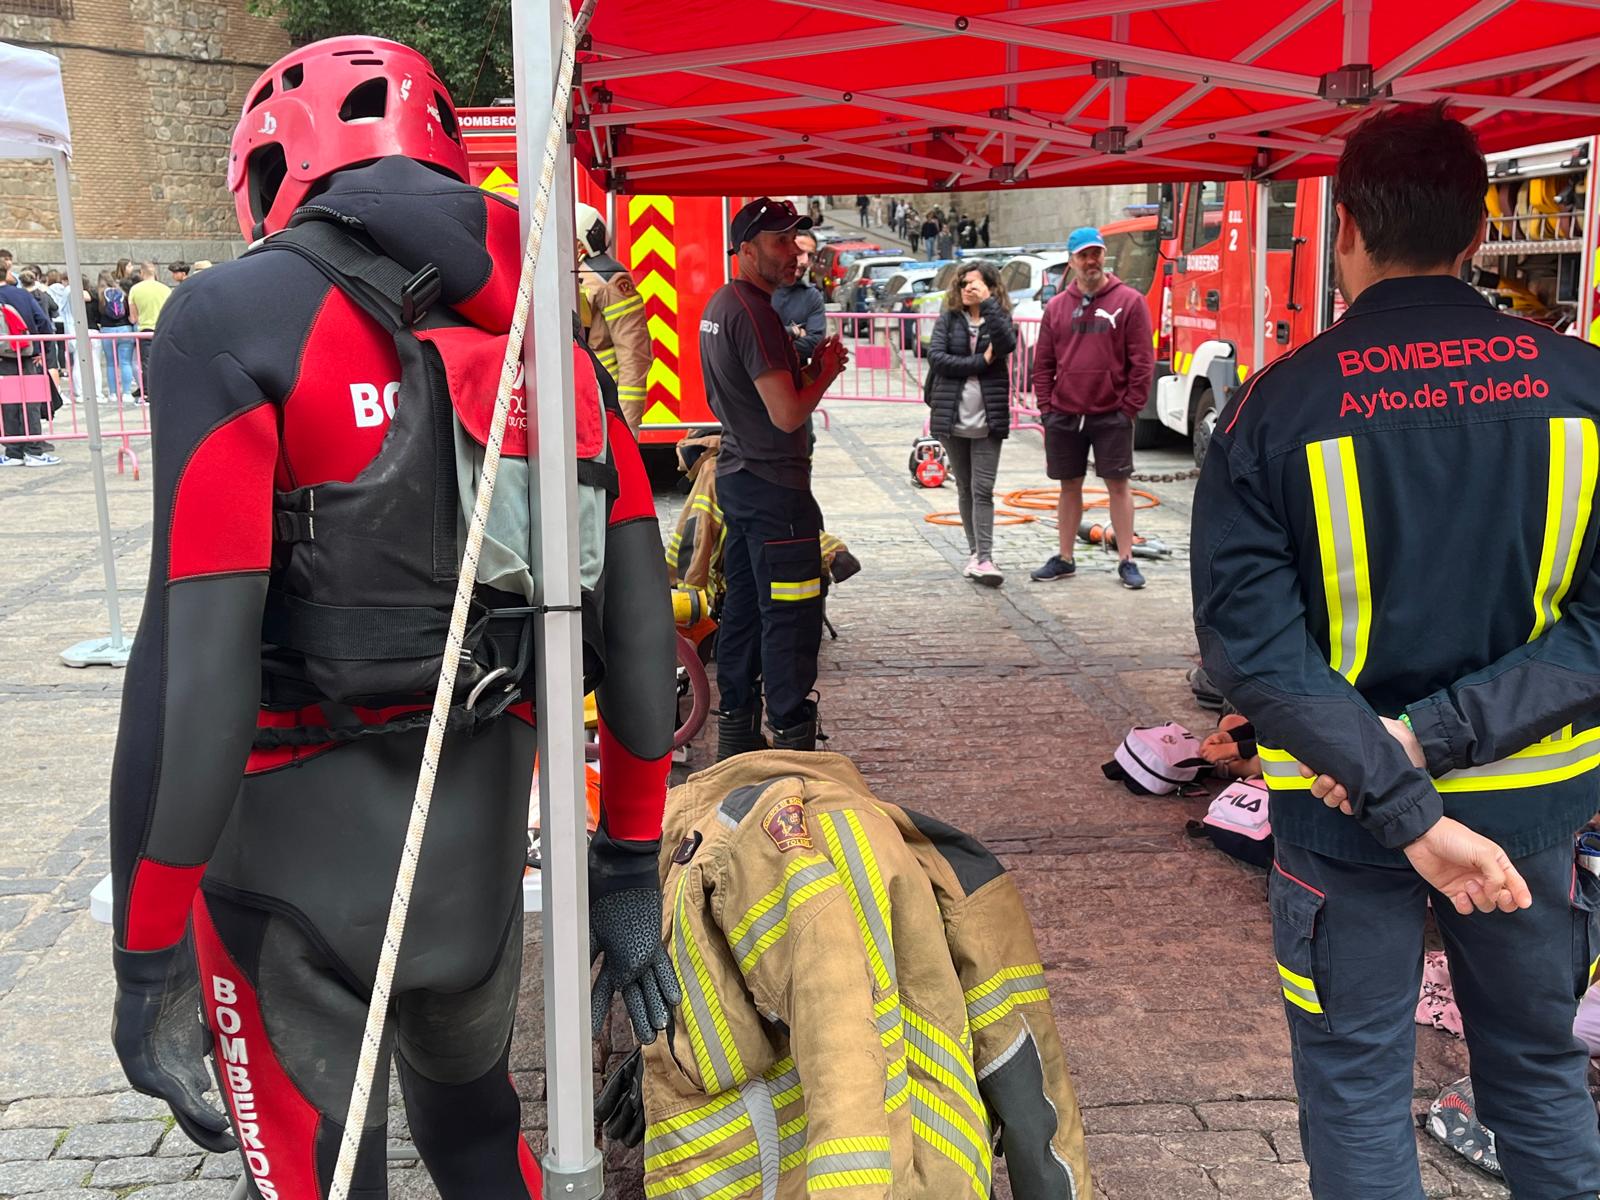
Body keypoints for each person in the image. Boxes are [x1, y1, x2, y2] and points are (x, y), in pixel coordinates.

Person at [107, 37, 678, 1199]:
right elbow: (642, 648)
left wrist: (143, 951)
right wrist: (625, 867)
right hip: (470, 883)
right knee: (477, 1138)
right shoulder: (547, 333)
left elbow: (192, 676)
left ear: (273, 172)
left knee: (328, 1175)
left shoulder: (232, 319)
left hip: (288, 891)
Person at [1191, 103, 1600, 1199]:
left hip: (1344, 824)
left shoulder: (1274, 412)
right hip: (1533, 818)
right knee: (1537, 1076)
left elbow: (1252, 653)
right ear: (1478, 233)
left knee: (1355, 1083)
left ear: (1343, 231)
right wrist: (1442, 748)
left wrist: (1405, 781)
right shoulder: (1585, 391)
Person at [699, 198, 849, 757]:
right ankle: (790, 744)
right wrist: (827, 374)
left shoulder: (724, 304)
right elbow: (786, 414)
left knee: (741, 609)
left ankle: (736, 735)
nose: (796, 254)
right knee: (790, 615)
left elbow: (756, 397)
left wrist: (807, 369)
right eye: (781, 242)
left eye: (797, 242)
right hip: (773, 489)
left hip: (742, 478)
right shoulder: (754, 311)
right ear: (746, 249)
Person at [1030, 225, 1154, 590]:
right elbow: (1043, 363)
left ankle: (1126, 559)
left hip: (1111, 413)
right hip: (1065, 413)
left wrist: (1129, 407)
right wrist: (1047, 409)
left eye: (1096, 253)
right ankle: (1065, 557)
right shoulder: (1056, 307)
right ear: (1072, 261)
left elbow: (1142, 361)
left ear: (1104, 256)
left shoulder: (1129, 301)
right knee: (1069, 485)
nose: (1091, 261)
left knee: (1119, 484)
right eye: (1084, 255)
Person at [926, 260, 1016, 586]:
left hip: (988, 418)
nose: (967, 288)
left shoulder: (999, 317)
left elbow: (1007, 343)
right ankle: (975, 551)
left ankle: (985, 557)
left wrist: (988, 303)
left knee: (983, 490)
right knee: (964, 487)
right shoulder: (949, 320)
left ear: (990, 287)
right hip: (952, 416)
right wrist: (981, 361)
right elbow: (937, 359)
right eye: (963, 283)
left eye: (974, 283)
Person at [575, 202, 652, 434]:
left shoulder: (610, 280)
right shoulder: (572, 273)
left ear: (581, 244)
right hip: (583, 394)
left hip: (603, 398)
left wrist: (626, 426)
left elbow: (634, 353)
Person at [0, 274, 58, 466]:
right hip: (26, 354)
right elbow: (43, 321)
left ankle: (13, 450)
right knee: (29, 402)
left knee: (8, 404)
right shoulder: (22, 295)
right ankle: (33, 450)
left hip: (3, 357)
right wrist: (42, 350)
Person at [773, 228, 825, 369]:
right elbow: (751, 337)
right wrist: (793, 332)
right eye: (800, 252)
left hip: (796, 385)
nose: (805, 261)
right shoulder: (761, 289)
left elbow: (815, 345)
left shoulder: (812, 296)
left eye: (810, 256)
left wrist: (771, 343)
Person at [127, 261, 171, 401]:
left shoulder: (135, 289)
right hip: (163, 329)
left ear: (142, 273)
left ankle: (148, 392)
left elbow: (133, 317)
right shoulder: (165, 289)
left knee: (146, 363)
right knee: (164, 361)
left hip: (145, 330)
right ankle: (165, 389)